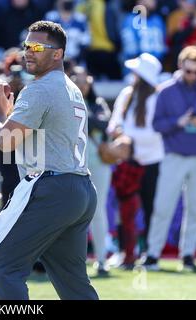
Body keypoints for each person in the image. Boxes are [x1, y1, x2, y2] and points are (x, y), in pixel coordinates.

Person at [0, 21, 98, 300]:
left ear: (58, 54)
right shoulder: (70, 87)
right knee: (74, 284)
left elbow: (5, 142)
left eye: (37, 47)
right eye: (26, 46)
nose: (28, 52)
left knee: (3, 266)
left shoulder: (39, 89)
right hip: (80, 188)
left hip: (53, 188)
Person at [143, 46, 196, 272]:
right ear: (180, 67)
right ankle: (153, 254)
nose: (193, 76)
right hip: (174, 156)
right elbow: (156, 125)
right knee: (163, 207)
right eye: (189, 71)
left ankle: (188, 255)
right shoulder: (165, 91)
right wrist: (179, 121)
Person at [107, 53, 165, 261]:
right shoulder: (126, 93)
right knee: (124, 211)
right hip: (127, 162)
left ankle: (149, 251)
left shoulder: (157, 98)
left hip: (151, 162)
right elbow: (113, 123)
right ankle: (125, 252)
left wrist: (127, 137)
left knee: (150, 208)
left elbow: (156, 133)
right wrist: (118, 131)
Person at [71, 66, 112, 276]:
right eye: (75, 81)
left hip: (97, 162)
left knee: (98, 211)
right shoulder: (64, 102)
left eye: (83, 81)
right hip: (71, 163)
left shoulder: (97, 104)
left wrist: (84, 113)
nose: (80, 85)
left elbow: (105, 124)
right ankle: (72, 260)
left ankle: (102, 259)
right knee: (71, 213)